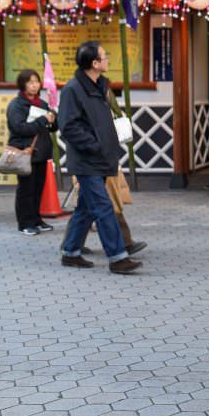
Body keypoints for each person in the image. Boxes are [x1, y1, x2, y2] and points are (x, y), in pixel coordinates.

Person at [58, 41, 141, 274]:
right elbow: (68, 126)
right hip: (86, 159)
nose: (107, 60)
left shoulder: (99, 86)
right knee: (104, 207)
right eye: (104, 57)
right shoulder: (73, 89)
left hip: (101, 157)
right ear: (94, 63)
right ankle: (118, 257)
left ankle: (70, 253)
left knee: (85, 208)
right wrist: (95, 146)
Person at [6, 69, 57, 236]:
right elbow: (19, 128)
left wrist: (53, 119)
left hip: (41, 152)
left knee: (37, 188)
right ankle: (24, 223)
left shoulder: (42, 103)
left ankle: (36, 219)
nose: (34, 85)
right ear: (23, 85)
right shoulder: (16, 105)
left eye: (36, 82)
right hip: (24, 152)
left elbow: (51, 128)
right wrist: (43, 120)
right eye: (30, 82)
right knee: (26, 190)